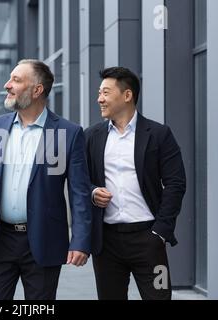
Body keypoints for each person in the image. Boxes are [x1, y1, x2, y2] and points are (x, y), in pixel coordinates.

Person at [0, 59, 92, 300]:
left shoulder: (67, 133)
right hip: (0, 240)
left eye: (16, 80)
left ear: (37, 90)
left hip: (44, 239)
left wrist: (80, 240)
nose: (7, 85)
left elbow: (79, 193)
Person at [84, 67, 186, 300]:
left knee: (160, 297)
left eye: (106, 93)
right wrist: (92, 192)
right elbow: (81, 181)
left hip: (149, 242)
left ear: (127, 95)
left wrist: (160, 232)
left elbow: (175, 183)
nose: (99, 99)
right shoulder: (91, 136)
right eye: (99, 93)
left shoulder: (159, 134)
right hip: (106, 244)